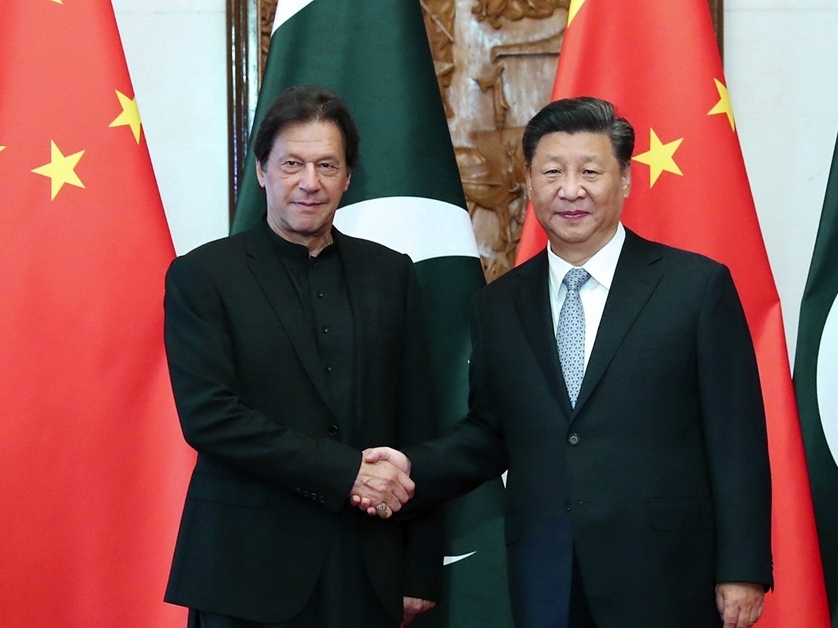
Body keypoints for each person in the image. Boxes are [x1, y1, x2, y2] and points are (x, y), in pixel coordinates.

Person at [358, 97, 772, 628]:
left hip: (666, 573)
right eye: (552, 172)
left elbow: (736, 438)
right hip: (547, 571)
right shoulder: (498, 305)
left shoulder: (695, 287)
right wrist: (410, 467)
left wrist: (742, 568)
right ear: (530, 183)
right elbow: (489, 434)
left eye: (590, 172)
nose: (570, 190)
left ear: (625, 179)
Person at [163, 85, 441, 627]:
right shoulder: (203, 276)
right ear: (262, 170)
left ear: (348, 177)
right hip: (245, 570)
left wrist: (421, 568)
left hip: (365, 566)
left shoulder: (391, 274)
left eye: (326, 165)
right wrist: (346, 472)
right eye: (292, 163)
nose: (310, 182)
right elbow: (211, 418)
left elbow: (418, 422)